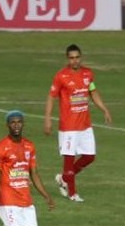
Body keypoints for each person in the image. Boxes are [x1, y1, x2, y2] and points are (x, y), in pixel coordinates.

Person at [43, 43, 112, 203]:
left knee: (89, 157)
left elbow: (93, 92)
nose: (75, 61)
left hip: (85, 125)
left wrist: (104, 109)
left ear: (81, 57)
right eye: (71, 58)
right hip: (68, 127)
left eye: (77, 57)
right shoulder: (61, 76)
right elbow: (51, 97)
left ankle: (63, 177)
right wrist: (47, 118)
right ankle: (72, 194)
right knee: (68, 160)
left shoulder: (88, 74)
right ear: (67, 59)